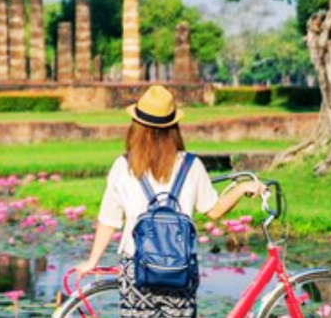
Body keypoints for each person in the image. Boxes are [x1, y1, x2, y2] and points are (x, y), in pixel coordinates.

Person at [73, 85, 264, 318]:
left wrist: (93, 260)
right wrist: (242, 187)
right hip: (180, 268)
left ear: (136, 127)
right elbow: (214, 211)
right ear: (173, 127)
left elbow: (108, 219)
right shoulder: (190, 165)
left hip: (137, 268)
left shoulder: (123, 166)